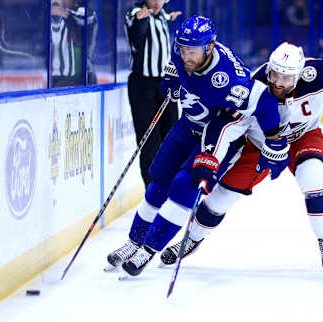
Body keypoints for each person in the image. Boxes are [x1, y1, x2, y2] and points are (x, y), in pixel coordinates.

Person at [160, 42, 323, 278]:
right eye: (274, 74)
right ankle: (191, 239)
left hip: (304, 137)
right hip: (260, 145)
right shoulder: (254, 86)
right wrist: (210, 158)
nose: (278, 82)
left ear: (299, 73)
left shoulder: (317, 75)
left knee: (315, 178)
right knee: (220, 197)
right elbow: (227, 125)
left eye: (286, 77)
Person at [105, 15, 283, 278]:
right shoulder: (184, 53)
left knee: (183, 188)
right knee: (158, 185)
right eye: (183, 48)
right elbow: (175, 67)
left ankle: (149, 249)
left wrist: (273, 137)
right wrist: (170, 82)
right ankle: (133, 243)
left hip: (215, 138)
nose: (186, 55)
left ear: (209, 47)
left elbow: (265, 101)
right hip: (186, 127)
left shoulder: (227, 79)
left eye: (193, 50)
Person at [125, 0, 182, 188]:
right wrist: (140, 23)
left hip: (165, 83)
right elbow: (135, 40)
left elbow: (165, 14)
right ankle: (152, 191)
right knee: (150, 142)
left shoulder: (161, 15)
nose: (158, 3)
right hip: (143, 85)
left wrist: (171, 16)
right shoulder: (136, 13)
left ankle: (170, 185)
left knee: (171, 137)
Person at [50, 0, 98, 87]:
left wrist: (67, 13)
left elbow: (87, 18)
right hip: (58, 79)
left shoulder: (84, 14)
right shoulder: (57, 19)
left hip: (80, 78)